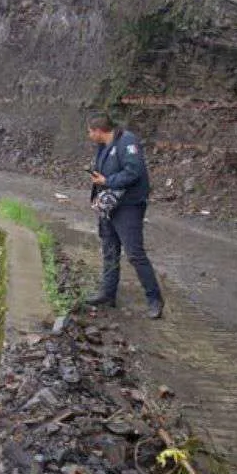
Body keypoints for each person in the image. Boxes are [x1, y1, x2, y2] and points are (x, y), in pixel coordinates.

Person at [84, 112, 164, 319]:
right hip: (109, 205)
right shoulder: (103, 147)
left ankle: (154, 299)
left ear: (99, 131)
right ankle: (108, 293)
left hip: (128, 206)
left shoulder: (127, 141)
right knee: (109, 249)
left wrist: (107, 181)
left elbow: (134, 171)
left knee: (135, 254)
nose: (89, 135)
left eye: (90, 132)